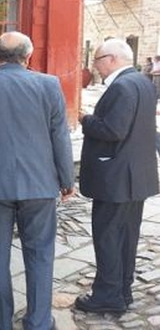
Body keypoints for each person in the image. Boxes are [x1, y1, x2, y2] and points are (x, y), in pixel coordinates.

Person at [0, 32, 75, 330]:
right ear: (27, 56)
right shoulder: (49, 84)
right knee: (41, 253)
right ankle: (39, 320)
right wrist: (67, 179)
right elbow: (60, 136)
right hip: (39, 183)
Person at [75, 38, 159, 315]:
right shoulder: (142, 82)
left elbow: (114, 130)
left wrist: (86, 120)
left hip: (117, 178)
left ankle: (108, 296)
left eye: (97, 60)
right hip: (135, 175)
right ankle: (122, 290)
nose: (95, 66)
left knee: (108, 237)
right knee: (126, 238)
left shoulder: (122, 86)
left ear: (111, 59)